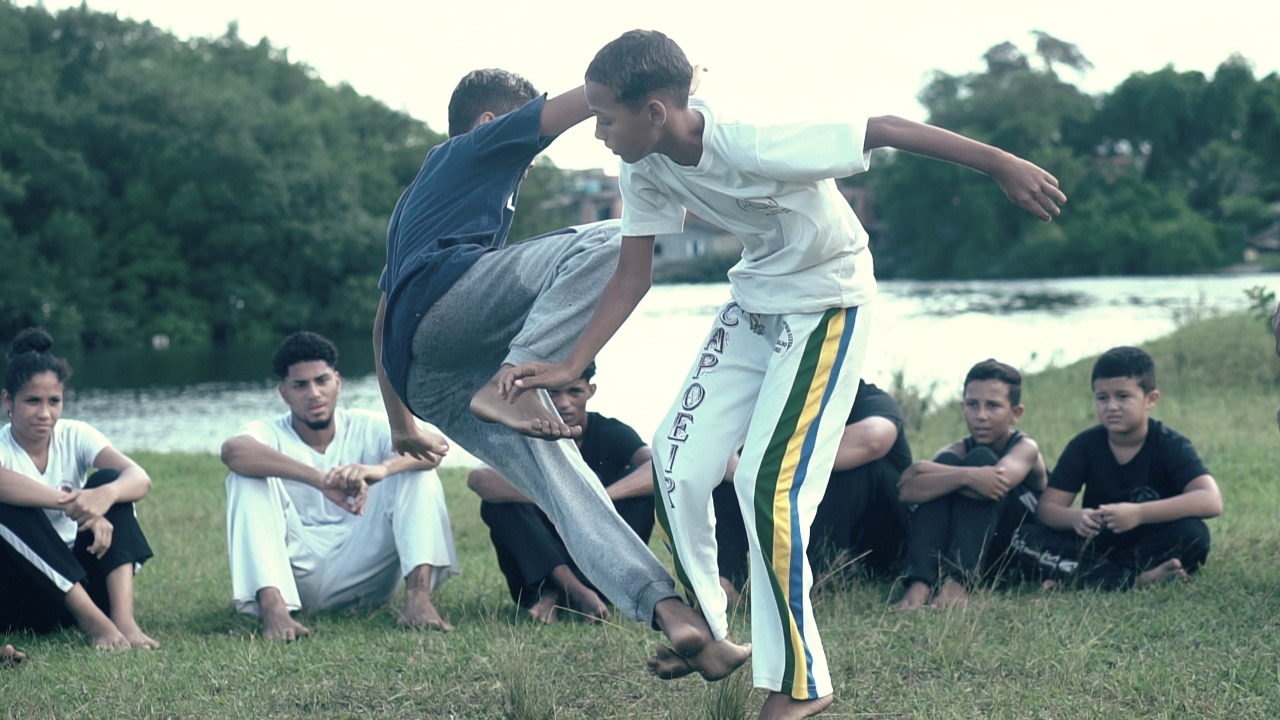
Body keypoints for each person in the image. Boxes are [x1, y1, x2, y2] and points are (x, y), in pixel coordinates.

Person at [502, 30, 1066, 719]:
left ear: (654, 111)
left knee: (768, 488)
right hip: (755, 298)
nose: (597, 133)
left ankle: (803, 684)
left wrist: (1001, 163)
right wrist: (568, 361)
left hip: (828, 298)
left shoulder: (755, 138)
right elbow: (633, 274)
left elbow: (884, 128)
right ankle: (708, 632)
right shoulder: (643, 164)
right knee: (675, 460)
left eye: (605, 118)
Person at [373, 68, 749, 678]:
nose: (530, 163)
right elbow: (595, 94)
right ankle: (514, 380)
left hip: (425, 375)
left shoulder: (423, 203)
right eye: (527, 146)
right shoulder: (471, 149)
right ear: (492, 124)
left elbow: (383, 317)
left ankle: (673, 614)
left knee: (564, 482)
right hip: (444, 312)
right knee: (615, 239)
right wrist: (664, 77)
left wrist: (402, 423)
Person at [221, 331, 459, 640]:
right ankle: (274, 611)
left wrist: (381, 469)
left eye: (322, 381)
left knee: (418, 472)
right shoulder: (269, 432)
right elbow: (233, 451)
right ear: (284, 393)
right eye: (300, 385)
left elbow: (436, 446)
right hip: (296, 573)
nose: (314, 394)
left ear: (337, 381)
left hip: (367, 565)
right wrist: (320, 480)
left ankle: (418, 599)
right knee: (244, 479)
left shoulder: (365, 424)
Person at [1012, 346, 1223, 590]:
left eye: (1123, 396)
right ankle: (1135, 580)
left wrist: (1139, 513)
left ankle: (1085, 577)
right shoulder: (1085, 445)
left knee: (1194, 533)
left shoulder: (1170, 444)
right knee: (1024, 537)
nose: (1111, 406)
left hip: (1150, 538)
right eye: (1102, 398)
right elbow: (1046, 509)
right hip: (1098, 541)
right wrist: (1076, 518)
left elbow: (1211, 500)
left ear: (1151, 399)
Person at [0, 327, 156, 651]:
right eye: (32, 401)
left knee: (110, 479)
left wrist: (104, 496)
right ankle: (96, 625)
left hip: (87, 584)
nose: (44, 413)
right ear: (8, 401)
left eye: (53, 401)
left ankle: (123, 621)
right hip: (24, 597)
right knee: (7, 505)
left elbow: (139, 478)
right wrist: (79, 506)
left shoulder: (76, 434)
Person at [467, 361, 656, 623]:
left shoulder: (610, 432)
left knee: (641, 495)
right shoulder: (525, 432)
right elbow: (480, 479)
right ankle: (571, 590)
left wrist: (594, 498)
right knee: (498, 504)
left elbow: (657, 469)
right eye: (553, 393)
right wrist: (561, 499)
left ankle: (557, 596)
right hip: (536, 571)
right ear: (537, 394)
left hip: (603, 575)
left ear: (590, 391)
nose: (563, 403)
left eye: (574, 392)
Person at [714, 380, 913, 602]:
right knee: (729, 475)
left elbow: (873, 439)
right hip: (806, 518)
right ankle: (727, 579)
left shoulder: (867, 398)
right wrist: (741, 467)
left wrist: (769, 468)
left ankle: (822, 575)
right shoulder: (772, 405)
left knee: (846, 470)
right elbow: (720, 445)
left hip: (880, 538)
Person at [891, 359, 1046, 611]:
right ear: (963, 407)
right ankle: (920, 583)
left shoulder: (1025, 447)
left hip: (1013, 549)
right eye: (972, 405)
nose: (981, 415)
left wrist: (922, 469)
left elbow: (995, 483)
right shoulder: (955, 450)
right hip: (973, 544)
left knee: (976, 460)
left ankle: (958, 584)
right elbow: (907, 492)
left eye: (993, 405)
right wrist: (965, 477)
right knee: (949, 467)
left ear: (1015, 413)